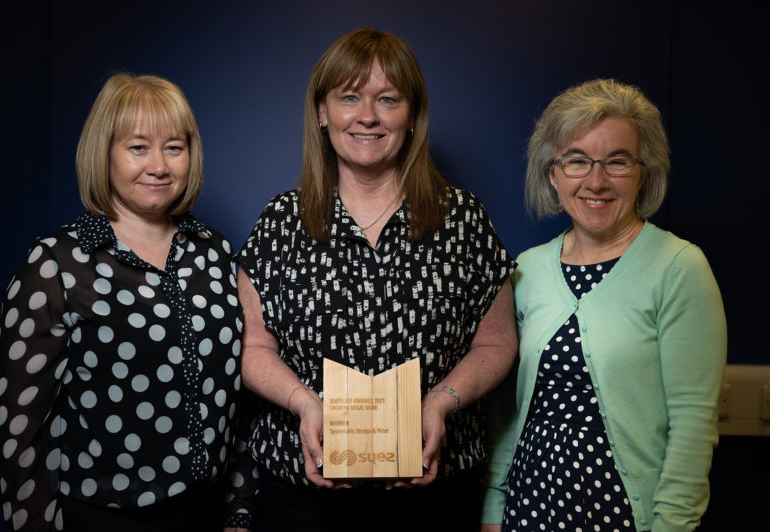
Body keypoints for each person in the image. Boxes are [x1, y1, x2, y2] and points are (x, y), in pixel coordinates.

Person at [237, 28, 518, 531]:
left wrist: (440, 402)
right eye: (349, 97)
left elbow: (497, 343)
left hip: (435, 494)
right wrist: (303, 403)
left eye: (387, 99)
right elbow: (255, 346)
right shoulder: (280, 223)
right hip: (304, 498)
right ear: (322, 113)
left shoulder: (463, 219)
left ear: (411, 116)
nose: (367, 116)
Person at [0, 73, 255, 532]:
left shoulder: (214, 251)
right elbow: (21, 426)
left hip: (205, 513)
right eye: (138, 148)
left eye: (174, 147)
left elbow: (232, 399)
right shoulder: (56, 263)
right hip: (103, 518)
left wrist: (236, 509)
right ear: (105, 154)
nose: (159, 165)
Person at [481, 78, 727, 532]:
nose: (596, 181)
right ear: (552, 174)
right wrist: (493, 510)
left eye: (617, 161)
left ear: (642, 172)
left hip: (623, 517)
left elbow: (693, 426)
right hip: (528, 509)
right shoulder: (527, 270)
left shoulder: (679, 268)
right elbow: (508, 412)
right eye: (577, 161)